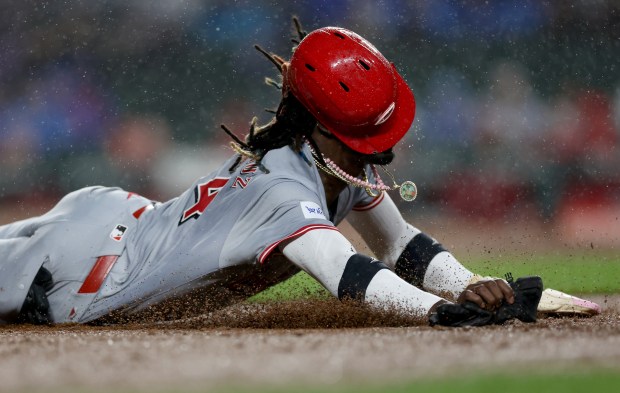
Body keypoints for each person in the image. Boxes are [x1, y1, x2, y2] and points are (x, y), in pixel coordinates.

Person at [0, 20, 600, 326]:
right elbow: (351, 275)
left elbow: (401, 247)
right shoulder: (286, 192)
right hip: (80, 273)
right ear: (327, 125)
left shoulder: (334, 162)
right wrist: (441, 310)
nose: (380, 147)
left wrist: (476, 284)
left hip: (120, 219)